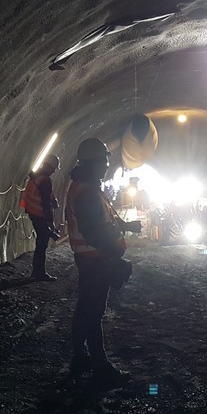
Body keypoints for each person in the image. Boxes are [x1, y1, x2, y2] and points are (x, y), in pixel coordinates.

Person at [65, 138, 141, 386]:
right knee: (94, 312)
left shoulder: (85, 186)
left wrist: (126, 226)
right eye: (104, 160)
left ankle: (80, 358)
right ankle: (100, 367)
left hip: (89, 258)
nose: (107, 164)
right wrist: (113, 257)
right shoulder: (87, 191)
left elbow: (103, 222)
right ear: (94, 163)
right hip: (95, 260)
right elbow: (93, 232)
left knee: (85, 309)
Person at [20, 153, 61, 281]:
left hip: (33, 212)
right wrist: (50, 222)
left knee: (41, 242)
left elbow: (42, 197)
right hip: (40, 215)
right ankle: (39, 273)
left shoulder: (35, 177)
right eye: (54, 168)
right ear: (49, 166)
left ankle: (37, 271)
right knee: (42, 244)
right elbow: (44, 203)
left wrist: (52, 200)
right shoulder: (45, 181)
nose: (54, 171)